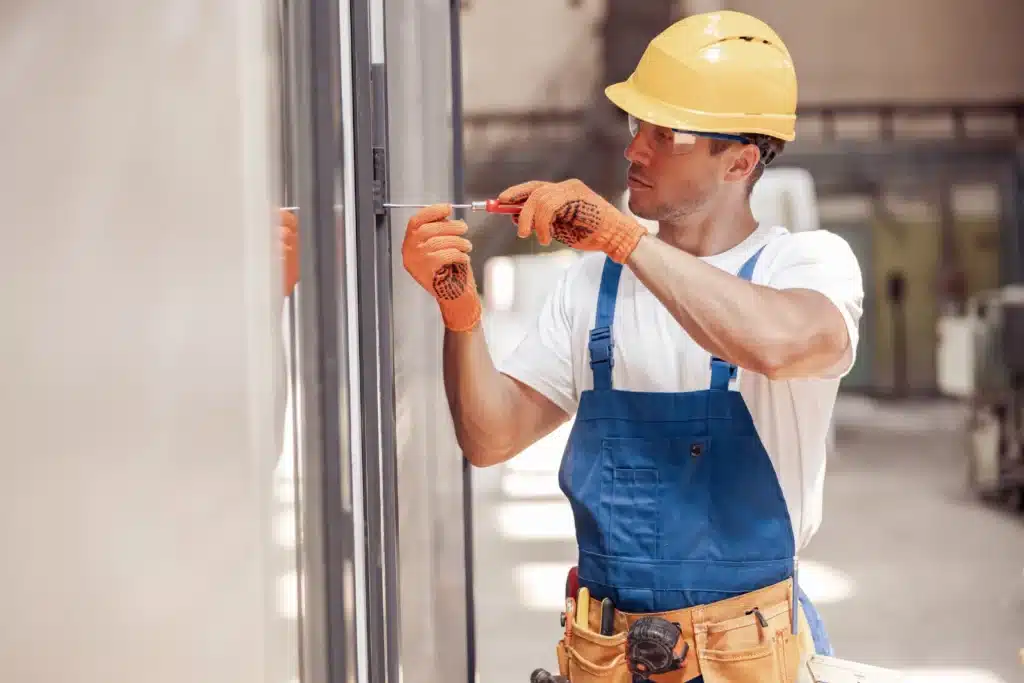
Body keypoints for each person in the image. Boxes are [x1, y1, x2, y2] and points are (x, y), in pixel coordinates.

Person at [401, 10, 863, 682]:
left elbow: (778, 343)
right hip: (610, 659)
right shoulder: (594, 286)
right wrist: (459, 310)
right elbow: (488, 436)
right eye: (635, 125)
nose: (634, 149)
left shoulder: (806, 265)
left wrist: (624, 238)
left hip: (750, 659)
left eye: (664, 132)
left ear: (739, 160)